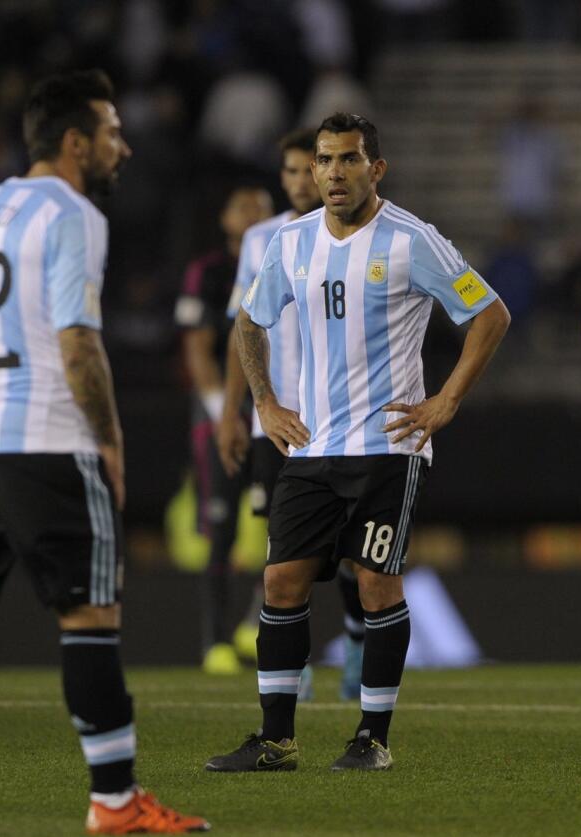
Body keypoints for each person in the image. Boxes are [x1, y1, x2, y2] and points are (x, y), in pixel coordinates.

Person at [0, 70, 209, 837]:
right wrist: (108, 437)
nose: (122, 147)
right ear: (75, 143)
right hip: (46, 439)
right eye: (110, 132)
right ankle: (113, 798)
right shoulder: (74, 213)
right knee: (88, 616)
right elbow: (77, 341)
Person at [206, 112, 510, 772]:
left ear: (376, 169)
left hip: (388, 448)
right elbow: (249, 321)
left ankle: (372, 736)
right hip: (312, 448)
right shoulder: (290, 244)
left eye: (348, 159)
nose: (334, 172)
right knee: (281, 580)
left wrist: (446, 400)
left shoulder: (412, 240)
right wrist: (264, 400)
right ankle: (276, 738)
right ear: (311, 169)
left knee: (376, 584)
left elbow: (489, 313)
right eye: (323, 160)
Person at [216, 127, 369, 701]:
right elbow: (245, 326)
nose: (303, 179)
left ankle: (356, 639)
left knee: (354, 551)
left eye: (312, 167)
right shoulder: (262, 239)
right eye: (292, 170)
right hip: (277, 421)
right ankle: (295, 661)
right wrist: (237, 410)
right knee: (285, 550)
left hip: (344, 417)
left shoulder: (363, 233)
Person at [174, 183, 272, 674]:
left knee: (287, 527)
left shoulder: (285, 256)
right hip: (223, 415)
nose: (253, 211)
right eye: (242, 205)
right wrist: (223, 411)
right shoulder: (208, 272)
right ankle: (214, 642)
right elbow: (199, 347)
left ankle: (256, 622)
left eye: (261, 205)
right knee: (221, 527)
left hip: (274, 411)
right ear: (225, 219)